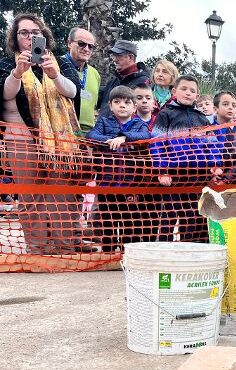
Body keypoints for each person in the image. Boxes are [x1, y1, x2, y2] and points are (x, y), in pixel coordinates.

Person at [0, 13, 89, 255]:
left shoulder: (59, 62)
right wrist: (17, 73)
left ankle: (66, 246)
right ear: (15, 38)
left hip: (57, 141)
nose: (30, 37)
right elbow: (5, 94)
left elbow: (73, 92)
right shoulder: (7, 62)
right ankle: (39, 248)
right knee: (31, 195)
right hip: (21, 137)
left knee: (61, 193)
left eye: (35, 33)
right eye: (24, 33)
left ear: (44, 36)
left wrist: (54, 74)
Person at [151, 75, 220, 242]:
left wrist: (215, 164)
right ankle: (163, 254)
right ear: (174, 91)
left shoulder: (202, 118)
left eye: (192, 91)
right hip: (174, 175)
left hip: (198, 175)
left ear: (197, 96)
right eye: (184, 89)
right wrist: (162, 170)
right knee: (169, 216)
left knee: (194, 218)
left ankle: (192, 254)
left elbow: (212, 144)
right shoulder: (165, 114)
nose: (188, 93)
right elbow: (156, 144)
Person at [87, 86, 150, 251]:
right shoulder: (104, 122)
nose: (122, 105)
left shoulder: (139, 124)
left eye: (127, 102)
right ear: (110, 105)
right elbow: (92, 136)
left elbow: (145, 136)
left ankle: (127, 251)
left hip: (131, 184)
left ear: (134, 107)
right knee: (108, 219)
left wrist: (124, 138)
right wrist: (111, 139)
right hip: (107, 183)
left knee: (130, 220)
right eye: (117, 102)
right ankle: (108, 251)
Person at [97, 40, 150, 118]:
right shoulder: (113, 81)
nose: (114, 59)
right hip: (102, 129)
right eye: (114, 56)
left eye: (118, 55)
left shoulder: (144, 82)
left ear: (130, 57)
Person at [65, 27, 101, 133]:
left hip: (88, 134)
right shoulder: (56, 66)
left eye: (91, 46)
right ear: (69, 43)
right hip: (63, 131)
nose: (86, 49)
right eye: (81, 44)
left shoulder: (95, 74)